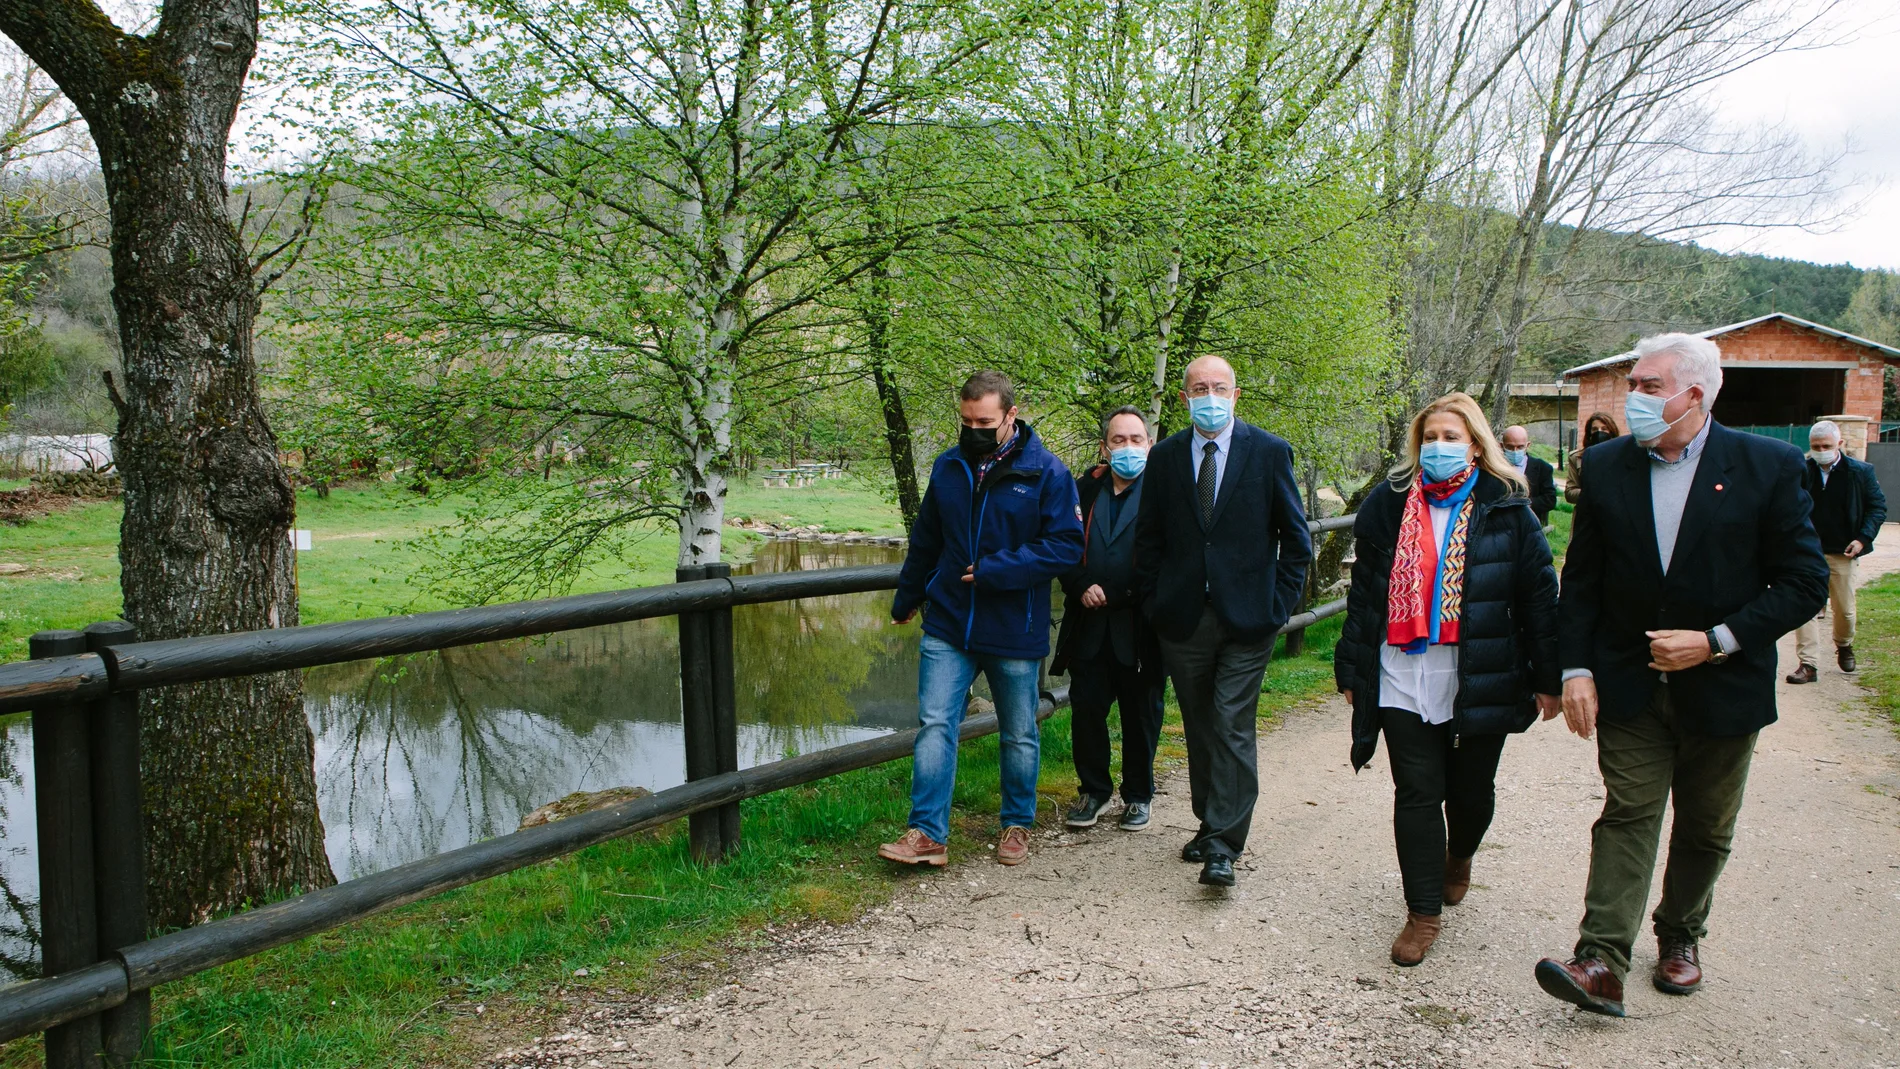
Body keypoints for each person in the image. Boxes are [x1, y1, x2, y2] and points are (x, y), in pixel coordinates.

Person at [1535, 333, 1826, 1017]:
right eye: (1633, 383)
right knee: (1628, 812)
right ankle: (1600, 957)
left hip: (1725, 688)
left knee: (1704, 826)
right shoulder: (1606, 468)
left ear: (1695, 394)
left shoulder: (1769, 466)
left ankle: (1680, 933)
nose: (1633, 397)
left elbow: (1804, 580)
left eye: (1647, 386)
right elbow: (1582, 582)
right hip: (1630, 685)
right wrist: (1574, 666)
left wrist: (1716, 640)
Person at [1336, 394, 1562, 966]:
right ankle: (1422, 912)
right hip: (1400, 668)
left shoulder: (1508, 508)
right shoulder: (1387, 507)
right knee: (1415, 791)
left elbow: (1538, 598)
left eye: (1451, 437)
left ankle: (1458, 854)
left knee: (1469, 792)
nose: (1439, 446)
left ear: (1476, 445)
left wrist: (1548, 675)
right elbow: (1363, 595)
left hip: (1478, 669)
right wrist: (1350, 665)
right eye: (1430, 437)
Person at [880, 371, 1084, 869]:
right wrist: (906, 598)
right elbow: (927, 539)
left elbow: (1066, 546)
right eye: (966, 420)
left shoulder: (1046, 473)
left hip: (1014, 626)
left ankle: (1017, 823)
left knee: (1018, 731)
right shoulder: (948, 467)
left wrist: (997, 570)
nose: (973, 429)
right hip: (949, 623)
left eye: (985, 422)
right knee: (934, 726)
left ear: (1010, 416)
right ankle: (927, 833)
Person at [1133, 355, 1311, 888]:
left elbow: (1296, 543)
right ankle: (1210, 821)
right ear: (1185, 397)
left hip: (1248, 619)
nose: (1208, 396)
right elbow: (1149, 541)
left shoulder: (1270, 452)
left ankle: (1223, 846)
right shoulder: (1163, 458)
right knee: (1200, 726)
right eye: (1198, 388)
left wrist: (1277, 608)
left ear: (1235, 395)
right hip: (1183, 620)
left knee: (1232, 723)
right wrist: (1154, 603)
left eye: (1219, 387)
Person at [1052, 406, 1165, 832]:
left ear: (1149, 445)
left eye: (1136, 440)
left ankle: (1138, 796)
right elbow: (1059, 544)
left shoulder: (1164, 494)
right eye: (1119, 440)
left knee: (1141, 715)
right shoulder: (1082, 490)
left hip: (1141, 629)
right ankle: (1094, 791)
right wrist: (1079, 583)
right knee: (1087, 713)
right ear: (1105, 447)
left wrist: (1121, 593)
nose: (1128, 447)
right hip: (1088, 626)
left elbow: (1168, 560)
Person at [1787, 420, 1887, 683]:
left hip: (1843, 551)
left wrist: (1862, 539)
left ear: (1839, 444)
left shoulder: (1860, 472)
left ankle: (1844, 644)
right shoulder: (1802, 471)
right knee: (1804, 608)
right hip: (1807, 552)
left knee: (1844, 609)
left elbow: (1877, 507)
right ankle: (1808, 664)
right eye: (1816, 446)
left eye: (1826, 446)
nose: (1821, 450)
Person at [1500, 424, 1557, 525]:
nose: (1515, 451)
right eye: (1510, 447)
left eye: (1520, 447)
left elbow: (1549, 500)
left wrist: (1524, 503)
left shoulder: (1542, 468)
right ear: (1502, 445)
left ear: (1528, 445)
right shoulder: (1494, 467)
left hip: (1530, 523)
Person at [1565, 412, 1620, 505]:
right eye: (1594, 429)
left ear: (1612, 432)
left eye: (1604, 429)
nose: (1599, 432)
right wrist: (1593, 492)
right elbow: (1570, 493)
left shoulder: (1621, 456)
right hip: (1586, 513)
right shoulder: (1577, 458)